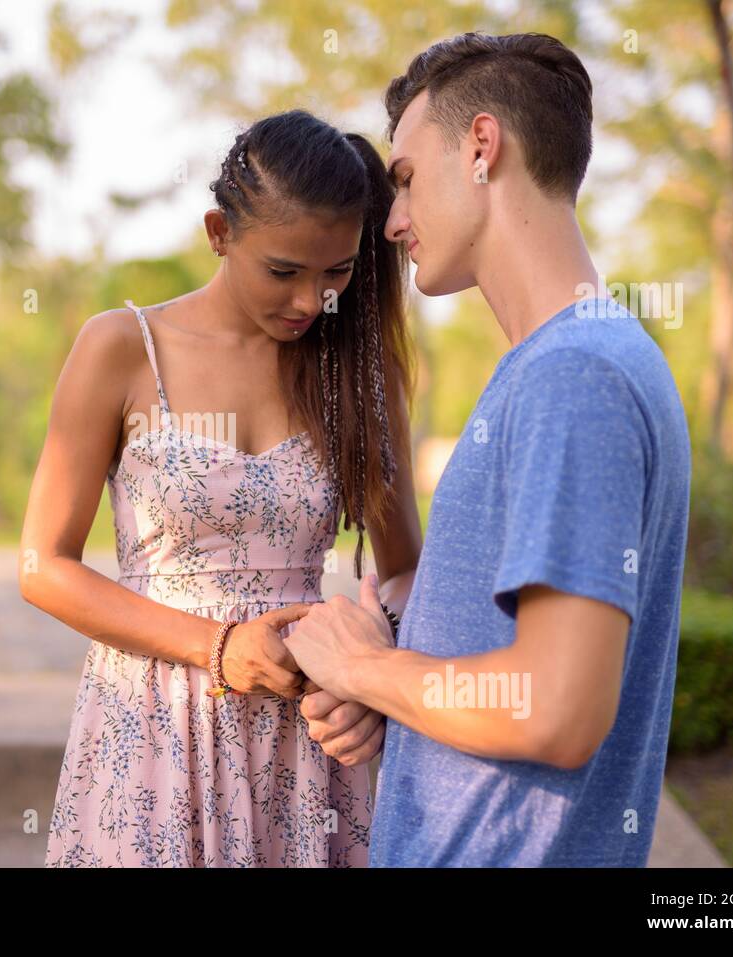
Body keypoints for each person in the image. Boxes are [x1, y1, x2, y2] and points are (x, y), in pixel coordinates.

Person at [284, 32, 693, 867]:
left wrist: (368, 670)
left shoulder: (572, 374)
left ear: (481, 148)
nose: (392, 224)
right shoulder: (571, 361)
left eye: (402, 181)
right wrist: (392, 669)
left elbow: (556, 709)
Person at [19, 109, 423, 867]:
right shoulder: (121, 348)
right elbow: (43, 566)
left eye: (335, 271)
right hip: (151, 733)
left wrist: (372, 671)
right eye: (284, 271)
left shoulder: (357, 371)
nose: (310, 301)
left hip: (304, 747)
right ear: (218, 231)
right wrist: (221, 646)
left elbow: (404, 570)